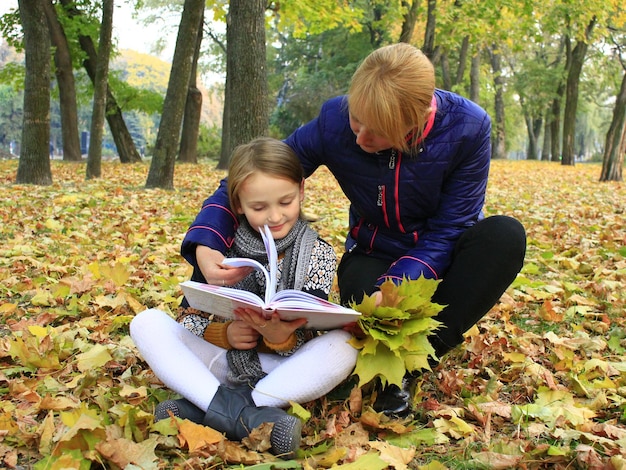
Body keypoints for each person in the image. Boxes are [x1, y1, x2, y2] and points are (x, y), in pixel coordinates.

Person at [181, 43, 527, 417]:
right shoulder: (334, 120)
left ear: (418, 119)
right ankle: (375, 361)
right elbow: (256, 177)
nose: (360, 138)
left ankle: (407, 368)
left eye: (377, 133)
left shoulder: (468, 128)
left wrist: (397, 285)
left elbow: (450, 229)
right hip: (371, 254)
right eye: (356, 120)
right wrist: (208, 241)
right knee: (362, 300)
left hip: (442, 257)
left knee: (505, 237)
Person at [130, 137, 357, 458]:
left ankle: (208, 407)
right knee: (146, 322)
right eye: (259, 207)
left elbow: (313, 329)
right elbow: (189, 319)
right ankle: (250, 417)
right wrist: (224, 334)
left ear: (302, 191)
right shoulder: (220, 251)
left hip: (280, 370)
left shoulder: (317, 252)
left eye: (286, 202)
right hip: (221, 362)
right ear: (237, 204)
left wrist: (281, 336)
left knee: (343, 347)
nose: (276, 216)